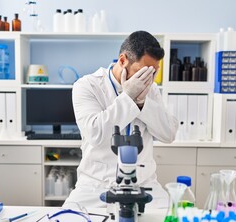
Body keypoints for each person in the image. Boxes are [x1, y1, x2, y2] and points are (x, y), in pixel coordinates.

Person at [64, 30, 178, 209]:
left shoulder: (152, 90)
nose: (149, 79)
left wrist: (142, 103)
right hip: (96, 185)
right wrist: (128, 97)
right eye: (143, 72)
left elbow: (169, 134)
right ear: (123, 60)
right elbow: (96, 133)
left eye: (154, 73)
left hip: (145, 185)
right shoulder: (87, 86)